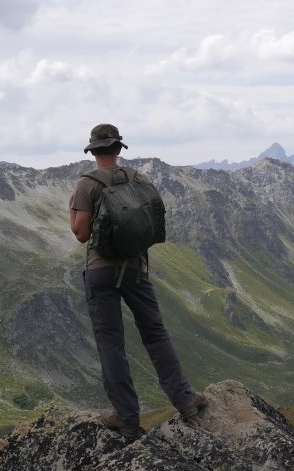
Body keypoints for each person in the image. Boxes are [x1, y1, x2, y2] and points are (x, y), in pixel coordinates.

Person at [69, 123, 205, 438]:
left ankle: (126, 418)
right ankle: (185, 399)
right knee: (155, 333)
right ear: (118, 149)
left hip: (101, 271)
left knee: (111, 343)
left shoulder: (86, 185)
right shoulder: (139, 179)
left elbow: (81, 234)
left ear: (93, 151)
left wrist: (70, 211)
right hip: (135, 268)